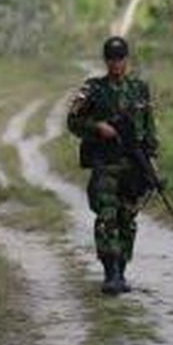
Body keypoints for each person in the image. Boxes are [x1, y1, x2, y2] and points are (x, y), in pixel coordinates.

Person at [67, 36, 159, 295]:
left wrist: (152, 163)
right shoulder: (93, 89)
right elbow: (72, 121)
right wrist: (97, 126)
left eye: (120, 59)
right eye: (111, 59)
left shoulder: (140, 88)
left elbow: (149, 128)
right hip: (105, 162)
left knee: (127, 218)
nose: (116, 64)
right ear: (106, 61)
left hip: (133, 165)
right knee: (107, 216)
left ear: (126, 59)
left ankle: (122, 269)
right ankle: (111, 273)